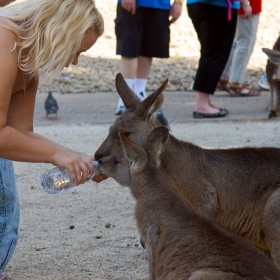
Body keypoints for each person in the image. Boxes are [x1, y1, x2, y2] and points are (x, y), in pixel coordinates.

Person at [0, 1, 104, 279]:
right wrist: (58, 155)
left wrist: (73, 156)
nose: (74, 62)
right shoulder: (5, 38)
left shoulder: (27, 58)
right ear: (62, 31)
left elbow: (20, 132)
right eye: (77, 51)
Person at [114, 0, 183, 129]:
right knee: (129, 46)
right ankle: (125, 97)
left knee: (149, 47)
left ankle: (139, 91)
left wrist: (179, 2)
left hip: (160, 4)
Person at [187, 0, 252, 118]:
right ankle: (201, 104)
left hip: (195, 4)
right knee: (214, 55)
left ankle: (205, 100)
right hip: (218, 6)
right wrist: (245, 3)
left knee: (208, 53)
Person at [218, 0, 262, 97]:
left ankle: (223, 76)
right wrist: (245, 4)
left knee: (236, 41)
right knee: (245, 42)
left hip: (236, 5)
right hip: (248, 4)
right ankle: (236, 83)